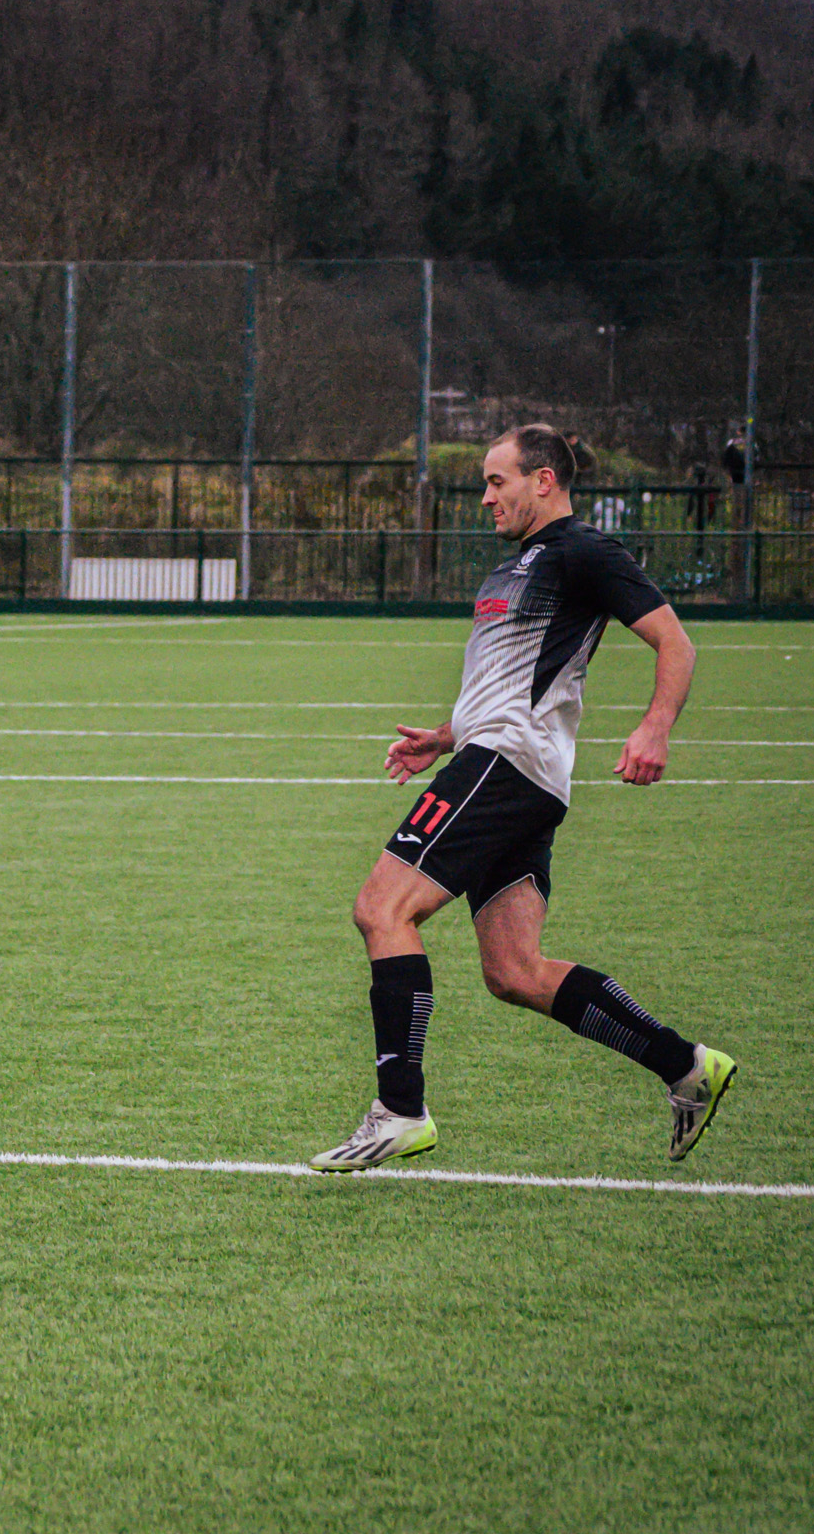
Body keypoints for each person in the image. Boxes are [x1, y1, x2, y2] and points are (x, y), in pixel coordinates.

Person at [313, 423, 736, 1172]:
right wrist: (444, 735)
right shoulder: (518, 567)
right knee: (513, 970)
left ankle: (399, 1110)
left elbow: (678, 643)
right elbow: (508, 686)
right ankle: (687, 1067)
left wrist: (654, 727)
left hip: (506, 768)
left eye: (497, 480)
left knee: (382, 909)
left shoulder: (583, 552)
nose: (486, 496)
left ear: (544, 480)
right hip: (507, 767)